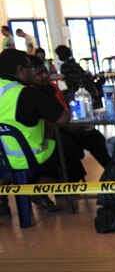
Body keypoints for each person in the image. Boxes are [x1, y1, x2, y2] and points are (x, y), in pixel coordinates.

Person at [0, 49, 80, 213]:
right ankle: (45, 189)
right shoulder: (26, 93)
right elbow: (63, 118)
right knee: (69, 146)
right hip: (28, 156)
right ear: (21, 69)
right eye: (30, 67)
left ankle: (3, 201)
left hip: (1, 159)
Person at [30, 55, 110, 171]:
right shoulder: (32, 93)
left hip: (64, 127)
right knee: (72, 145)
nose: (45, 75)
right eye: (39, 74)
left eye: (45, 71)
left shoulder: (52, 87)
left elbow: (64, 110)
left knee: (94, 136)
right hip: (51, 135)